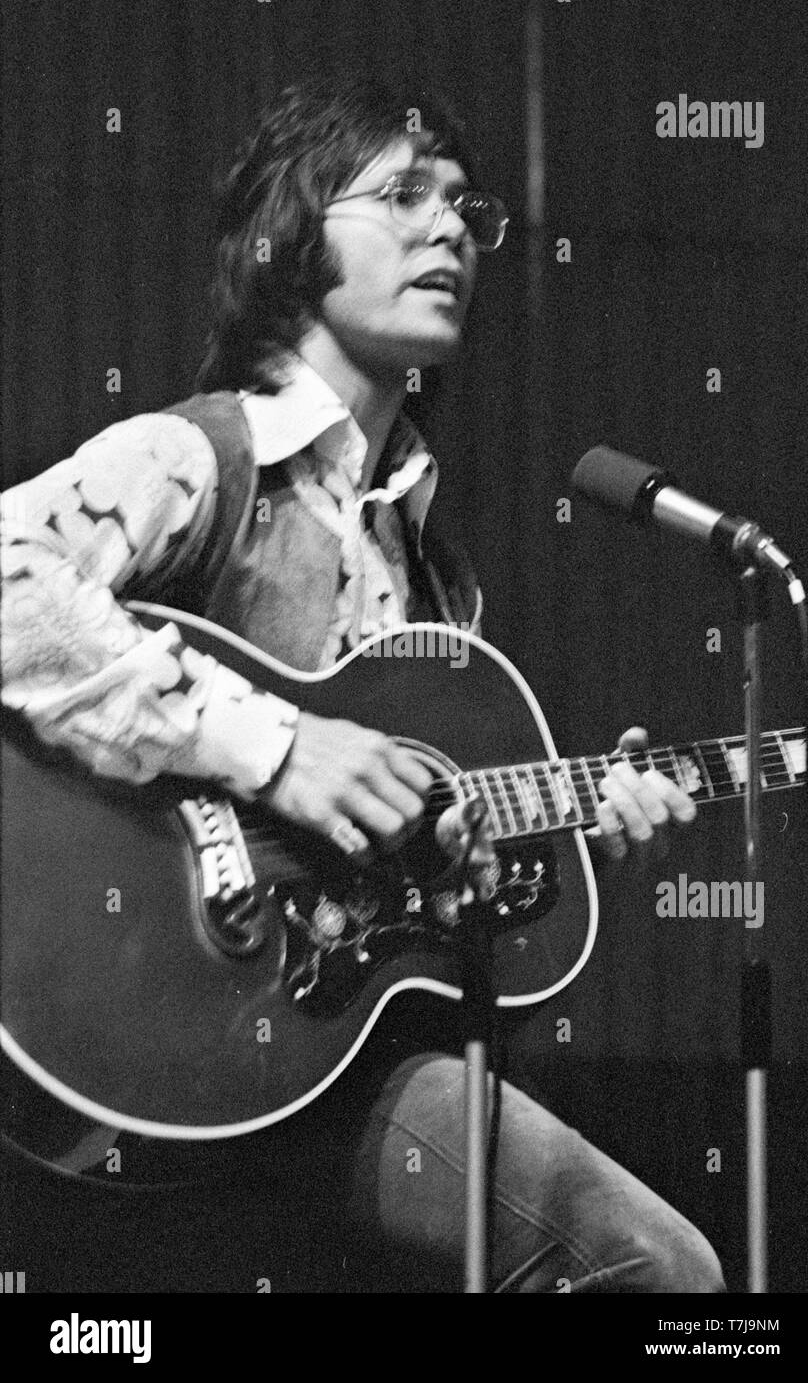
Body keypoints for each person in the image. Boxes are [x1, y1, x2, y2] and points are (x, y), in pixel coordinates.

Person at [1, 73, 724, 1292]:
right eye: (401, 195)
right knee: (656, 1271)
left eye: (462, 206)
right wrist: (276, 745)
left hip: (324, 1059)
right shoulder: (194, 455)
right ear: (288, 238)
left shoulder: (437, 583)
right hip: (143, 1026)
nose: (448, 226)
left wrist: (561, 840)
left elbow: (418, 904)